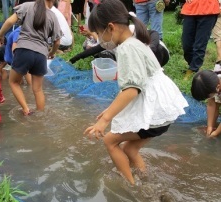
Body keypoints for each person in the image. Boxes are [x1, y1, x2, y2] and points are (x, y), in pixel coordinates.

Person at [84, 0, 188, 185]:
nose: (100, 39)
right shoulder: (135, 40)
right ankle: (145, 179)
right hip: (163, 108)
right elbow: (136, 86)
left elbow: (132, 89)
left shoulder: (126, 48)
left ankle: (131, 186)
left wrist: (105, 119)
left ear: (110, 27)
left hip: (155, 113)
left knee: (109, 140)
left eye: (99, 33)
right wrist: (109, 109)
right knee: (129, 149)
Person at [0, 0, 61, 116]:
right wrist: (51, 53)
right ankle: (40, 116)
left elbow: (10, 21)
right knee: (38, 89)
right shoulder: (53, 16)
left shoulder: (27, 6)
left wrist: (0, 35)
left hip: (24, 50)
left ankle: (26, 109)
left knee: (14, 82)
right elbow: (57, 42)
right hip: (41, 54)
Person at [70, 26, 170, 67]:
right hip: (140, 58)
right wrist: (75, 58)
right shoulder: (113, 39)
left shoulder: (130, 29)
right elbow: (97, 48)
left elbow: (154, 33)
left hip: (159, 53)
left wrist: (150, 49)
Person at [181, 0, 219, 80]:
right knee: (186, 44)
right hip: (190, 9)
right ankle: (193, 66)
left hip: (209, 9)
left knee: (200, 44)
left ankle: (193, 70)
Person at [191, 70, 221, 137]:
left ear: (218, 87)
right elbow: (211, 104)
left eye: (208, 96)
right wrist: (210, 126)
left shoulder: (213, 84)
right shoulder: (211, 81)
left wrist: (216, 132)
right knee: (217, 101)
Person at [211, 0, 221, 74]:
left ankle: (218, 65)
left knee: (218, 38)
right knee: (218, 38)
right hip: (216, 12)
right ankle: (218, 64)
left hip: (217, 11)